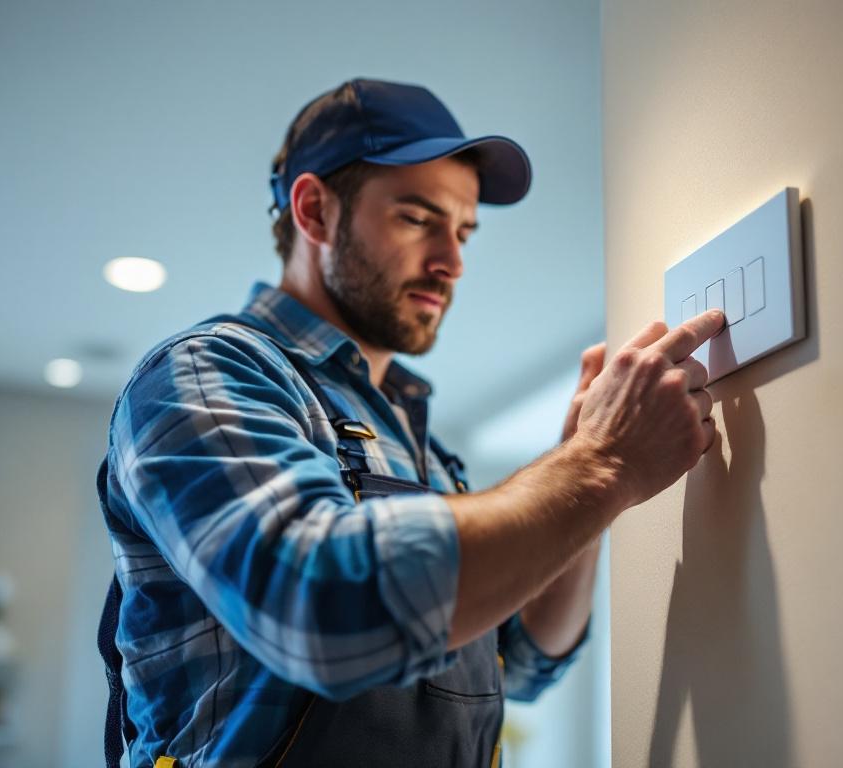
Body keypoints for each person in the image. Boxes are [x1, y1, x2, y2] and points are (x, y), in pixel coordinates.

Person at [96, 77, 724, 768]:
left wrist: (582, 461)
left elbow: (519, 663)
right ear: (315, 211)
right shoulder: (206, 373)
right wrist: (603, 464)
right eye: (418, 218)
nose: (452, 262)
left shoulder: (422, 448)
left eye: (463, 231)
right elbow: (323, 610)